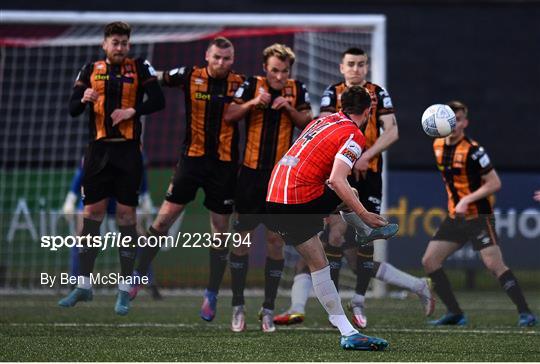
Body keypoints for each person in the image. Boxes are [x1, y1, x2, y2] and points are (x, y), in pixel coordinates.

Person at [274, 47, 434, 328]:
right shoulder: (343, 118)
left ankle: (356, 301)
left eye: (361, 64)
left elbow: (392, 130)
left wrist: (366, 157)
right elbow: (335, 173)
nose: (356, 69)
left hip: (331, 179)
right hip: (324, 181)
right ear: (341, 67)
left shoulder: (366, 99)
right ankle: (311, 307)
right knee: (332, 240)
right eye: (351, 64)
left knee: (342, 250)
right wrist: (363, 212)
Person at [266, 85, 389, 350]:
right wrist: (365, 213)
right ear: (368, 111)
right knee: (321, 262)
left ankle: (348, 331)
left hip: (273, 197)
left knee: (319, 259)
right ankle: (348, 332)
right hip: (296, 202)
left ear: (341, 107)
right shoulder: (355, 134)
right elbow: (336, 179)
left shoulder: (324, 119)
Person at [129, 37, 245, 316]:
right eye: (216, 57)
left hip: (225, 167)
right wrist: (136, 69)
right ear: (207, 55)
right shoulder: (189, 75)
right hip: (191, 162)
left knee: (220, 230)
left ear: (233, 60)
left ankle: (211, 294)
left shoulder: (242, 83)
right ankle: (136, 275)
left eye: (226, 59)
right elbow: (155, 77)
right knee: (164, 218)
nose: (221, 63)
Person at [58, 21, 165, 315]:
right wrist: (84, 98)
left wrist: (133, 110)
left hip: (129, 153)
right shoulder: (89, 70)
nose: (119, 48)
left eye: (123, 43)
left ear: (128, 45)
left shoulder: (140, 67)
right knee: (90, 215)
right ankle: (82, 285)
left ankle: (123, 290)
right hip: (98, 152)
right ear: (104, 45)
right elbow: (72, 109)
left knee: (126, 218)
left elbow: (158, 100)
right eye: (114, 42)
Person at [422, 100, 537, 327]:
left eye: (458, 120)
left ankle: (526, 313)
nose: (454, 124)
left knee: (494, 265)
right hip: (456, 216)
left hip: (478, 216)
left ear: (465, 123)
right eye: (450, 119)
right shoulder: (437, 145)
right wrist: (458, 202)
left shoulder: (474, 151)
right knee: (430, 261)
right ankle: (455, 313)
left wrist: (467, 198)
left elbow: (494, 183)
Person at [223, 43, 312, 332]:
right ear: (265, 68)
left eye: (284, 71)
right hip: (249, 176)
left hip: (279, 178)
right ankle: (238, 307)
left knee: (275, 241)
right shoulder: (251, 85)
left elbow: (307, 123)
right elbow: (229, 115)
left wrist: (287, 107)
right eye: (274, 70)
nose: (279, 76)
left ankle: (268, 308)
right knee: (242, 242)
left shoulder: (296, 89)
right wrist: (252, 103)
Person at [62, 156, 162, 299]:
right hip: (97, 193)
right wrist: (70, 198)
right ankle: (76, 282)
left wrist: (146, 197)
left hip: (120, 195)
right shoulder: (97, 148)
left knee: (137, 235)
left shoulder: (132, 150)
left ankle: (148, 282)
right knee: (82, 234)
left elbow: (140, 173)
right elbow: (82, 174)